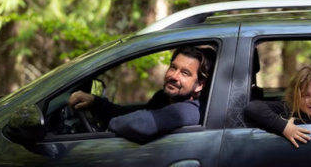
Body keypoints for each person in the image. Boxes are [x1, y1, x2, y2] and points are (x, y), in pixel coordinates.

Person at [68, 45, 214, 143]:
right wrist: (96, 102)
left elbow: (141, 123)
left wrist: (108, 128)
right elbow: (137, 113)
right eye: (173, 67)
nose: (174, 76)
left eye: (185, 73)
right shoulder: (163, 98)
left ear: (199, 85)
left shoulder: (192, 110)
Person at [244, 66, 311, 148]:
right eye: (305, 95)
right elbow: (253, 107)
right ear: (294, 97)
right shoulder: (288, 109)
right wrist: (285, 127)